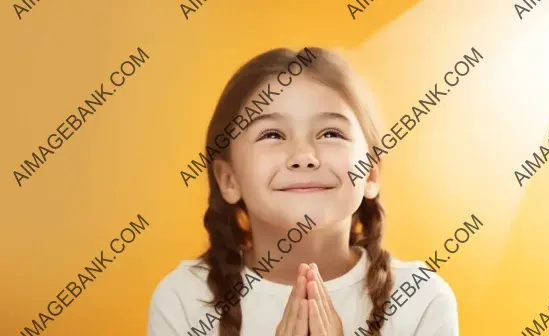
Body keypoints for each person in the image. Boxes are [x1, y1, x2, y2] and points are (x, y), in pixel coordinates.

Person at [147, 47, 459, 336]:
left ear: (371, 173)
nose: (304, 156)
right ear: (228, 179)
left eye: (330, 133)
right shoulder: (184, 299)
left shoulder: (422, 299)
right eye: (272, 134)